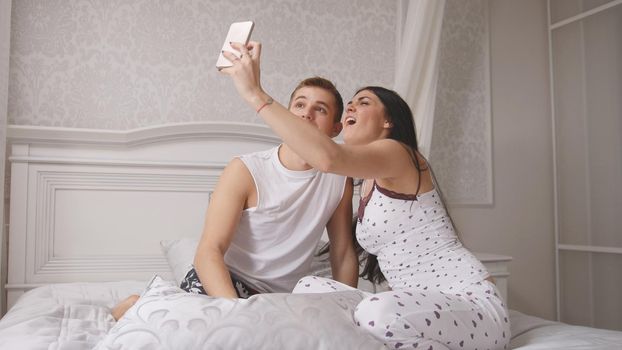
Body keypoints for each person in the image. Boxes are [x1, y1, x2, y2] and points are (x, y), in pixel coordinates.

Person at [220, 42, 510, 350]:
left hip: (469, 303)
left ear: (388, 121)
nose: (352, 108)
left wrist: (255, 94)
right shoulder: (361, 181)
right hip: (421, 309)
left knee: (375, 313)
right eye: (351, 104)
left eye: (364, 102)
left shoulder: (398, 153)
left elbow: (327, 157)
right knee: (309, 287)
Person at [111, 76, 359, 320]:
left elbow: (343, 252)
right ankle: (138, 305)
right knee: (186, 335)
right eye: (300, 105)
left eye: (321, 109)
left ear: (336, 129)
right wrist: (237, 314)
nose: (307, 114)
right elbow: (208, 251)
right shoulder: (245, 170)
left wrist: (345, 310)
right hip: (223, 283)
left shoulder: (338, 179)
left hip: (279, 298)